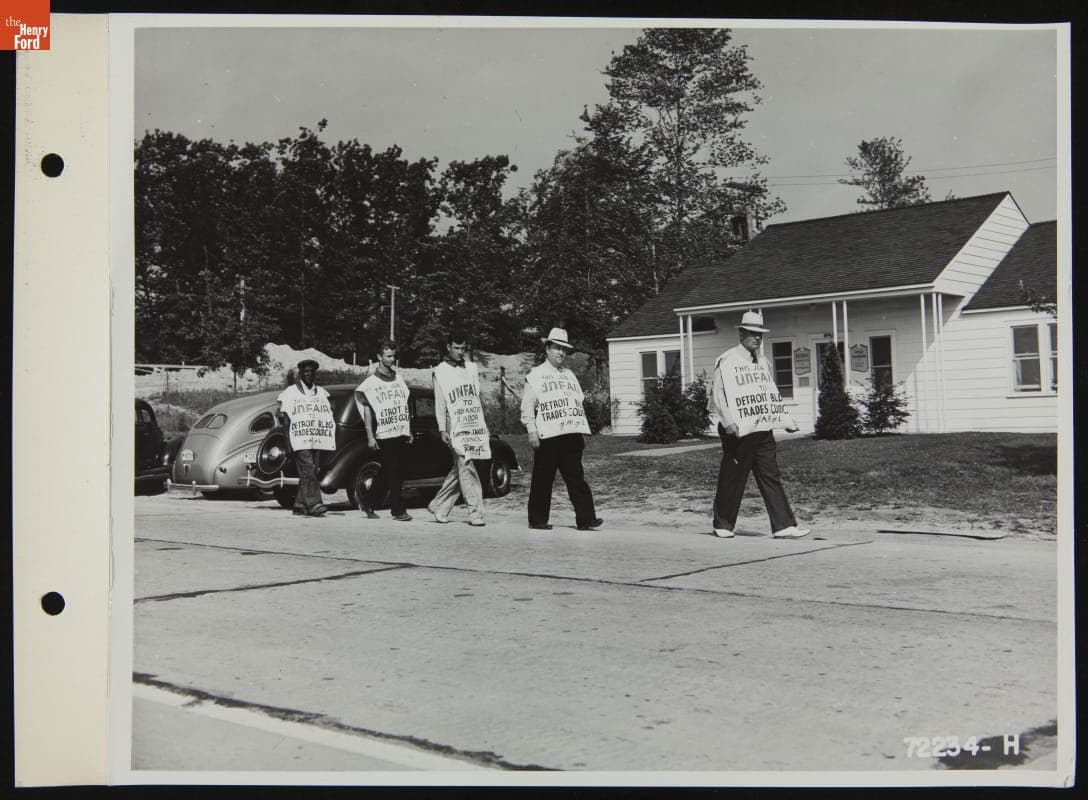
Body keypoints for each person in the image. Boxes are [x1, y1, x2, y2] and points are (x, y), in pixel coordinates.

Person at [709, 310, 810, 539]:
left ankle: (783, 525)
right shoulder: (727, 361)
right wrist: (728, 422)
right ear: (741, 334)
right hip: (738, 429)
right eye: (753, 334)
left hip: (762, 428)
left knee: (770, 475)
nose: (757, 338)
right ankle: (723, 524)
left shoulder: (763, 362)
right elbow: (718, 395)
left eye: (760, 335)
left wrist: (785, 419)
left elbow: (769, 394)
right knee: (733, 477)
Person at [520, 327, 602, 531]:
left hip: (571, 435)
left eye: (564, 349)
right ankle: (537, 519)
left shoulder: (569, 375)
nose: (560, 353)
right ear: (547, 348)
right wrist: (532, 430)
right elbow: (527, 406)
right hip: (548, 435)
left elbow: (578, 403)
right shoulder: (536, 375)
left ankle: (586, 518)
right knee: (543, 478)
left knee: (576, 478)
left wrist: (580, 429)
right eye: (556, 348)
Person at [428, 332, 488, 526]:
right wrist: (442, 428)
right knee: (466, 465)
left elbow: (476, 397)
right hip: (454, 424)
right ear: (448, 347)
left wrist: (481, 423)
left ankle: (440, 506)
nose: (460, 352)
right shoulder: (440, 371)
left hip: (472, 422)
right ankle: (475, 512)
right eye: (456, 348)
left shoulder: (471, 368)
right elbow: (440, 403)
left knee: (460, 468)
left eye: (463, 348)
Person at [355, 341, 413, 522]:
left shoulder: (398, 378)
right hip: (384, 433)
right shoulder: (371, 383)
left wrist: (408, 430)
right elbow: (367, 410)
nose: (392, 359)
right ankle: (398, 509)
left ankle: (367, 502)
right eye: (388, 356)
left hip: (400, 431)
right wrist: (370, 436)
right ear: (380, 357)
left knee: (389, 471)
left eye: (394, 355)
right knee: (393, 470)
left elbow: (404, 405)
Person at [276, 359, 336, 517]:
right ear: (300, 374)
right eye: (305, 372)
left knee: (311, 471)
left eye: (312, 372)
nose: (309, 374)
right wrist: (287, 443)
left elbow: (328, 412)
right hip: (299, 439)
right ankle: (315, 503)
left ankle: (300, 504)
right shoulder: (291, 393)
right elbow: (286, 420)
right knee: (308, 469)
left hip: (316, 438)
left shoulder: (322, 393)